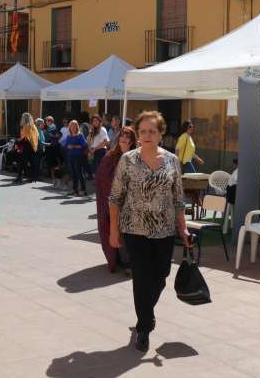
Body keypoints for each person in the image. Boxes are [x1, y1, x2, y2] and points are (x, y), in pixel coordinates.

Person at [109, 110, 191, 353]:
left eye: (152, 131)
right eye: (143, 131)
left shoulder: (172, 161)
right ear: (137, 134)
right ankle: (144, 326)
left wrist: (183, 228)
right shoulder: (127, 160)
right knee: (142, 277)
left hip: (164, 229)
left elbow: (178, 199)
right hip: (134, 228)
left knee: (161, 274)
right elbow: (114, 197)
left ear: (160, 134)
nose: (147, 135)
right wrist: (113, 230)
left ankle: (146, 312)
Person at [95, 127, 137, 272]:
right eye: (122, 136)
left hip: (132, 202)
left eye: (127, 137)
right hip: (114, 202)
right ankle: (121, 260)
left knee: (129, 232)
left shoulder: (137, 157)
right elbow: (101, 178)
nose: (124, 139)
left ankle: (129, 261)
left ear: (132, 141)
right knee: (116, 229)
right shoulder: (110, 156)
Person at [62, 120, 88, 197]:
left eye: (74, 126)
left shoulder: (80, 135)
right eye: (71, 126)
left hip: (78, 156)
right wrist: (67, 146)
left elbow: (84, 145)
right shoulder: (69, 136)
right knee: (73, 173)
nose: (73, 127)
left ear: (77, 127)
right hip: (70, 156)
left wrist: (74, 146)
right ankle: (75, 189)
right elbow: (65, 145)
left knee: (79, 173)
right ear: (69, 127)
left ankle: (83, 190)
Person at [16, 112, 39, 183]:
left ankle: (20, 177)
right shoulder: (33, 126)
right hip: (33, 145)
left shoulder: (26, 126)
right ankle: (32, 177)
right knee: (31, 162)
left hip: (26, 145)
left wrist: (17, 142)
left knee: (22, 162)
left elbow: (24, 138)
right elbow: (37, 136)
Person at [88, 114, 110, 181]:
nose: (95, 122)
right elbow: (88, 141)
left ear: (99, 121)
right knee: (94, 171)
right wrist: (90, 131)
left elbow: (106, 142)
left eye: (96, 120)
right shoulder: (93, 131)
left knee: (99, 170)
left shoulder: (102, 129)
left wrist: (95, 148)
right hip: (94, 152)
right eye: (93, 121)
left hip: (100, 151)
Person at [44, 116, 62, 187]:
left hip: (54, 148)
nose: (46, 122)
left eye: (47, 121)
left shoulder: (54, 128)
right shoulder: (48, 129)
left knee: (55, 165)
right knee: (51, 165)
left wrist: (53, 136)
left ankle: (57, 180)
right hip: (49, 148)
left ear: (51, 121)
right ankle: (54, 180)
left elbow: (59, 135)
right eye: (46, 121)